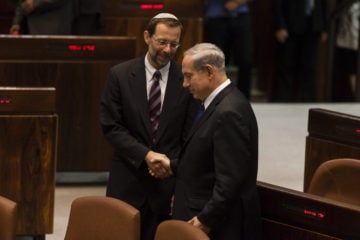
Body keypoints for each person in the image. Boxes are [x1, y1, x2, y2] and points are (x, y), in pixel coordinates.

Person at [100, 13, 196, 240]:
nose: (168, 50)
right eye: (162, 42)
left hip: (167, 184)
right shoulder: (120, 75)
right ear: (147, 37)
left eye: (174, 44)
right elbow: (111, 126)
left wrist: (175, 171)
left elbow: (190, 135)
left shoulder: (185, 78)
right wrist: (146, 155)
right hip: (127, 179)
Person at [152, 43, 262, 239]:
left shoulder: (229, 112)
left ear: (209, 72)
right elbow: (207, 158)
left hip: (218, 226)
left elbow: (230, 180)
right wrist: (173, 165)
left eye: (188, 76)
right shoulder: (215, 104)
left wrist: (206, 219)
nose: (185, 84)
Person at [272, 0, 328, 102]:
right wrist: (280, 25)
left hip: (313, 25)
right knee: (285, 68)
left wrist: (324, 26)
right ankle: (279, 105)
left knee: (310, 69)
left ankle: (309, 106)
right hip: (290, 24)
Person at [204, 0, 254, 99]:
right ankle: (215, 97)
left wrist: (237, 2)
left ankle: (243, 99)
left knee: (246, 59)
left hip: (241, 16)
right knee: (215, 61)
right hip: (216, 17)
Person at [332, 1, 359, 102]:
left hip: (353, 38)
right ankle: (355, 98)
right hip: (348, 40)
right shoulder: (346, 4)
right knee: (351, 70)